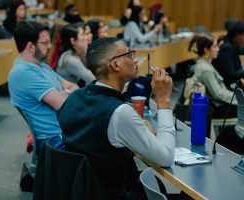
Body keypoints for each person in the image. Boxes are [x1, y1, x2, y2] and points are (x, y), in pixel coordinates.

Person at [57, 37, 175, 199]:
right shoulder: (119, 112)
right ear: (115, 65)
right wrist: (163, 100)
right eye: (130, 54)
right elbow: (166, 158)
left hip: (83, 190)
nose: (135, 59)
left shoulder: (74, 98)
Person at [8, 21, 78, 154]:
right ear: (30, 46)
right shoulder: (23, 73)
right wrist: (63, 93)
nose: (50, 46)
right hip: (53, 141)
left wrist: (62, 92)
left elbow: (72, 86)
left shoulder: (41, 66)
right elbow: (65, 105)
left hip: (64, 133)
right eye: (45, 43)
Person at [188, 33, 237, 118]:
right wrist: (236, 98)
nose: (218, 49)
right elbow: (217, 94)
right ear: (206, 50)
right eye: (215, 47)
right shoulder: (205, 69)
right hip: (217, 110)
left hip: (217, 106)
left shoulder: (204, 64)